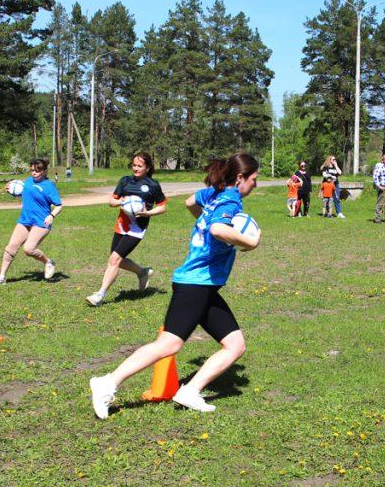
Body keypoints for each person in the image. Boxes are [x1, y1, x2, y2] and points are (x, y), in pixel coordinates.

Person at [89, 154, 261, 418]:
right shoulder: (230, 199)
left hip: (203, 285)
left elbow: (190, 202)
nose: (255, 185)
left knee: (235, 345)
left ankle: (189, 391)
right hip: (196, 283)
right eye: (253, 179)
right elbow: (217, 229)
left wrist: (202, 225)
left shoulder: (212, 193)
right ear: (240, 179)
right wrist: (249, 243)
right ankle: (107, 383)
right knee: (168, 345)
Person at [86, 152, 167, 306]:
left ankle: (100, 295)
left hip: (137, 228)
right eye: (134, 165)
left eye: (139, 166)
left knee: (114, 259)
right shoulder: (125, 181)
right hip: (121, 225)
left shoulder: (153, 185)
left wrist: (148, 212)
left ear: (147, 167)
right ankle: (143, 272)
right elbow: (111, 201)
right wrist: (120, 202)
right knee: (117, 261)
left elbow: (162, 207)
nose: (135, 169)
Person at [0, 158, 62, 285]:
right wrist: (12, 191)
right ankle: (2, 276)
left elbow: (59, 205)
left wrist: (51, 215)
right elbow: (25, 193)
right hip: (25, 220)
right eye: (32, 170)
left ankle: (48, 262)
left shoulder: (49, 187)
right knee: (11, 247)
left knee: (29, 249)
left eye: (37, 171)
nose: (33, 173)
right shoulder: (28, 181)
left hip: (41, 222)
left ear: (44, 171)